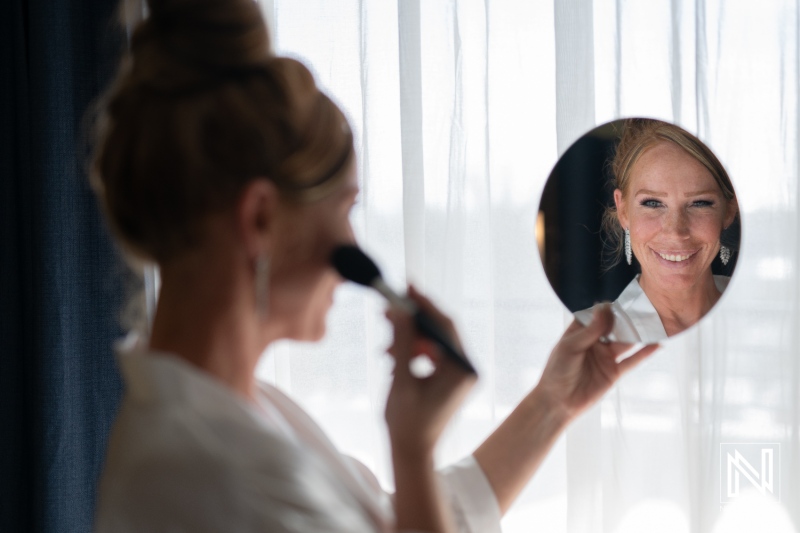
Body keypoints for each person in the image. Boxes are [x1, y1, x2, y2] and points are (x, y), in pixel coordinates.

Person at [90, 1, 657, 531]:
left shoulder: (246, 411)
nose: (354, 242)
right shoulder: (209, 482)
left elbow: (391, 519)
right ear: (261, 219)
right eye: (346, 207)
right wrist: (411, 453)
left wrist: (551, 406)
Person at [576, 119, 739, 343]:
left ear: (729, 210)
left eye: (699, 203)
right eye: (652, 203)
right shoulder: (581, 339)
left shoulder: (774, 312)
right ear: (623, 210)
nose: (675, 231)